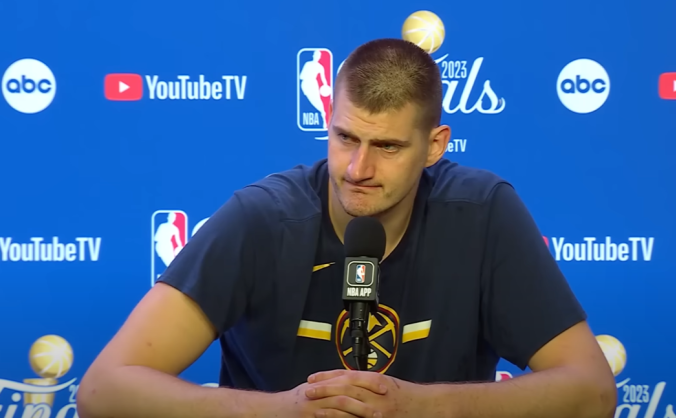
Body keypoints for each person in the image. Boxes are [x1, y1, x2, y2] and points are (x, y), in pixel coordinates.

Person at [77, 38, 617, 418]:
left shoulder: (482, 212)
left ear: (434, 145)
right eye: (345, 138)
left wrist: (420, 408)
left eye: (387, 146)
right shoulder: (263, 218)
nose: (358, 169)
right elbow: (103, 391)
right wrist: (284, 412)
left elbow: (592, 391)